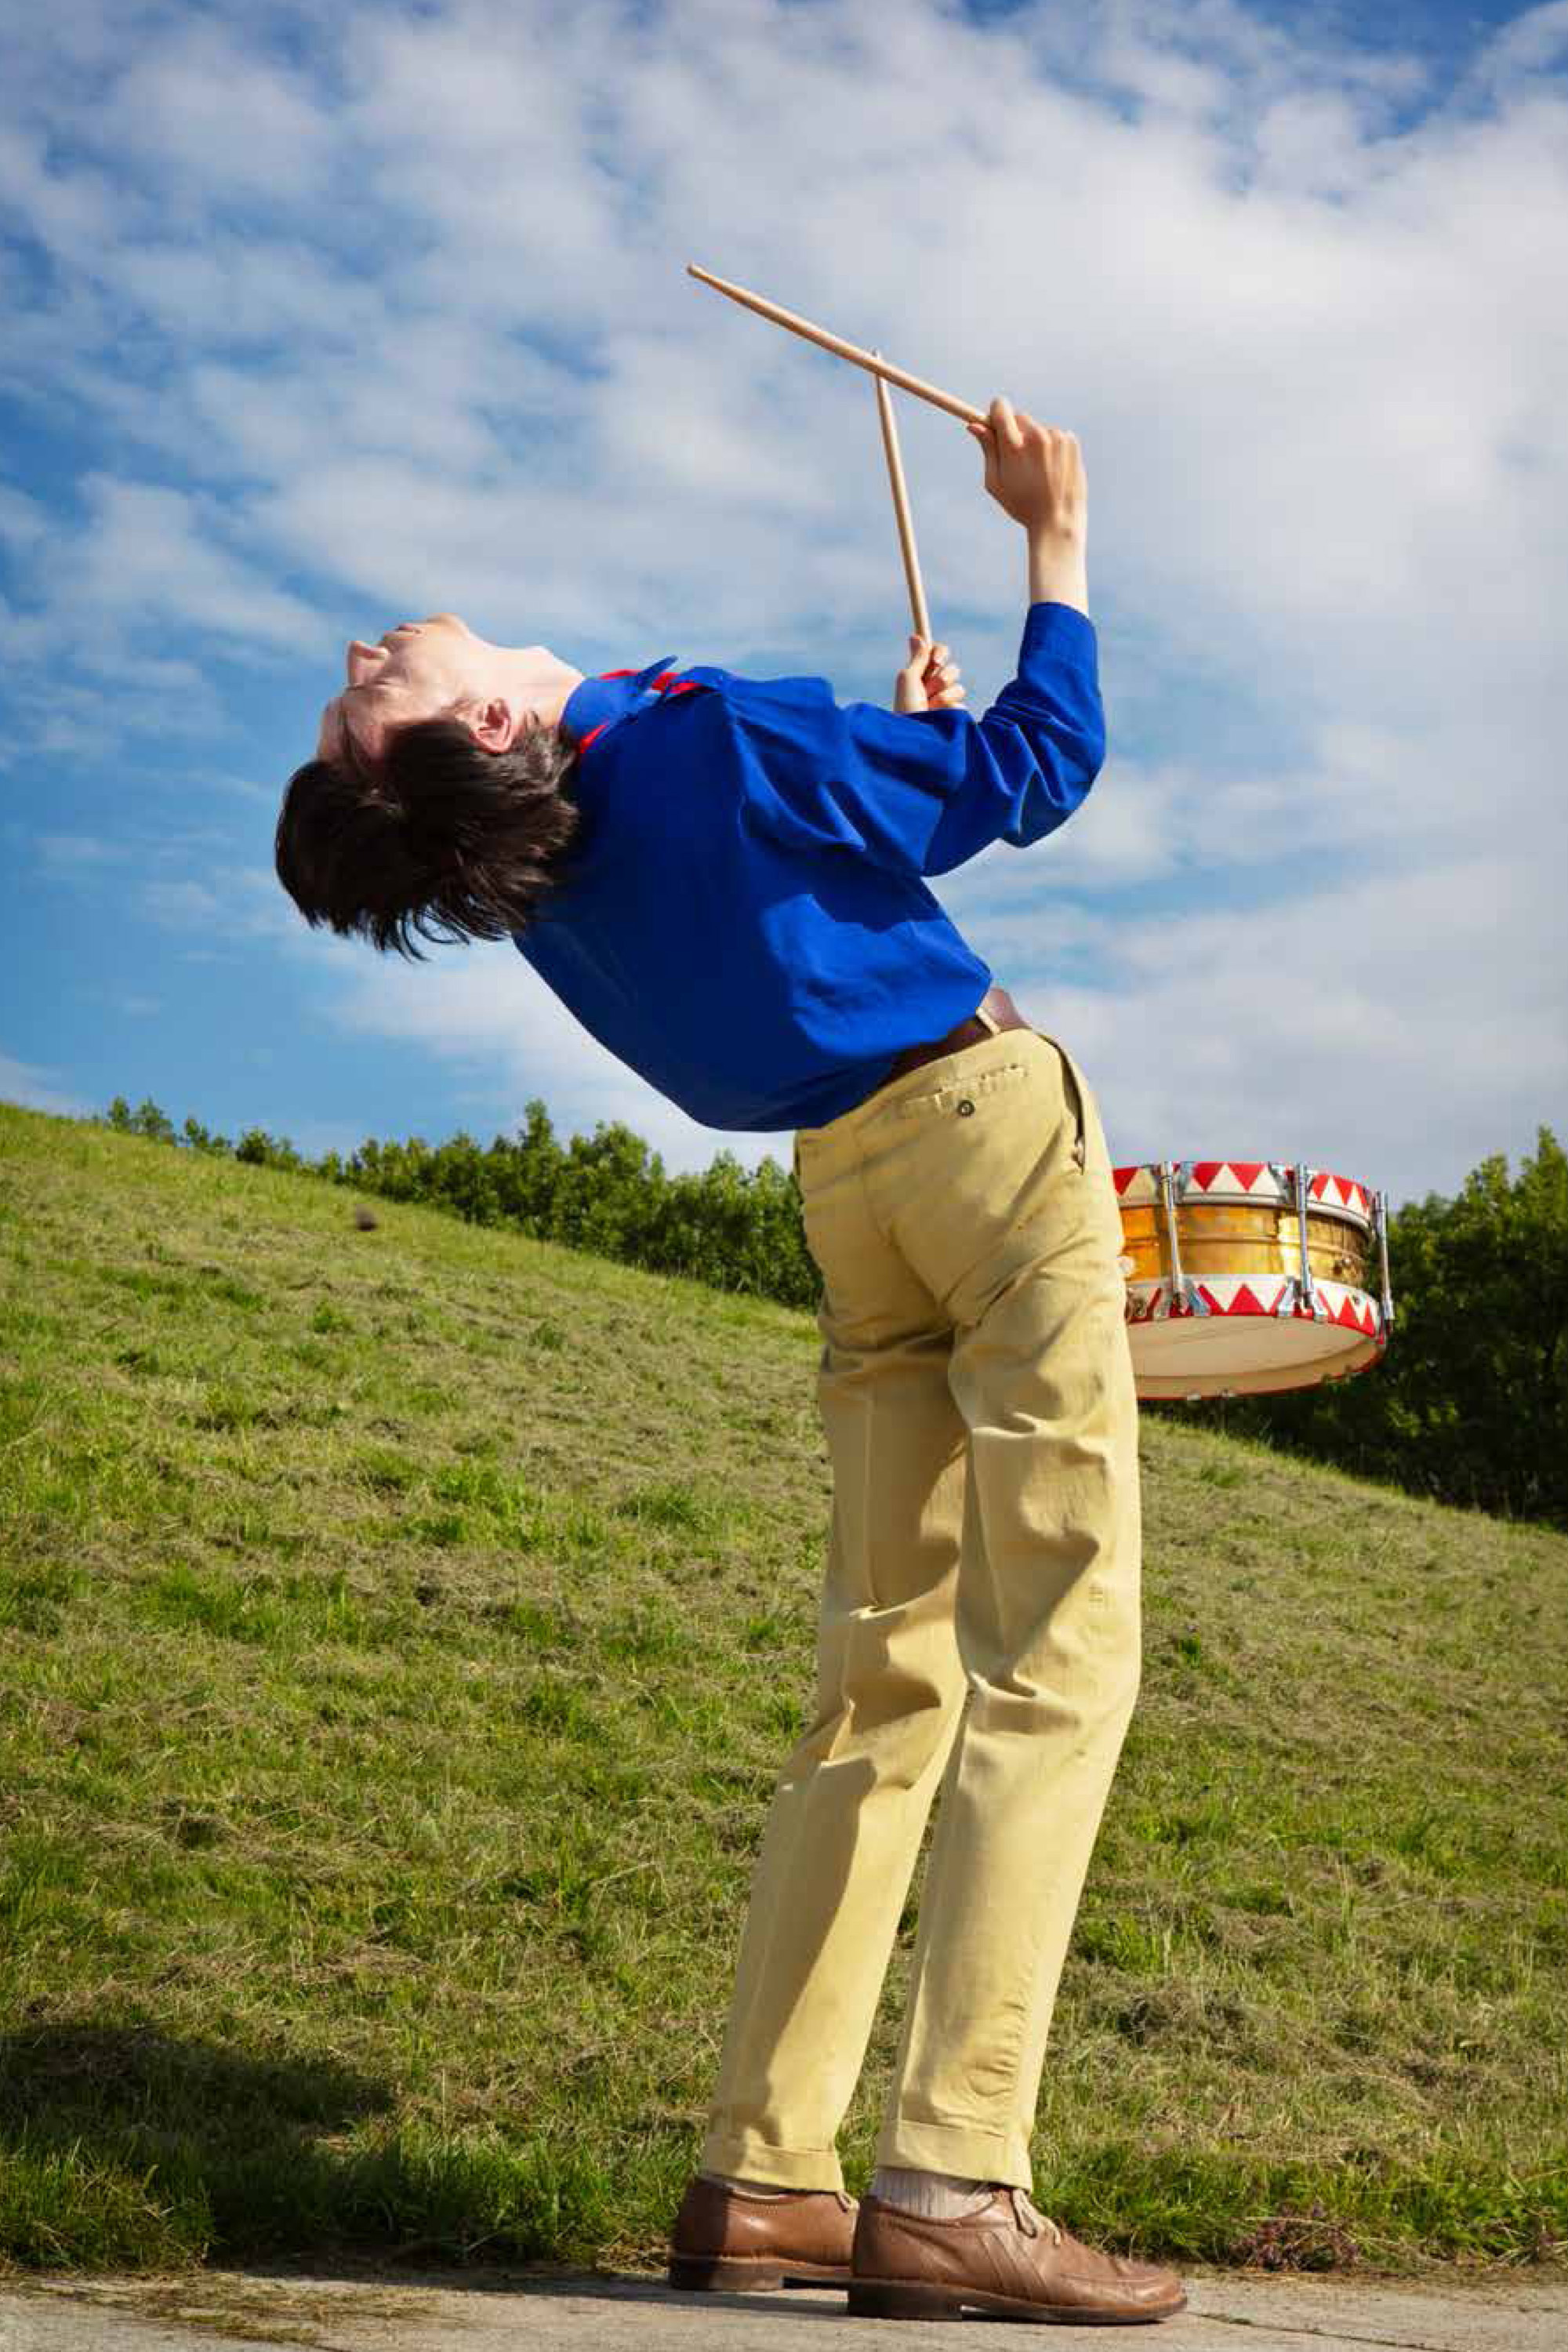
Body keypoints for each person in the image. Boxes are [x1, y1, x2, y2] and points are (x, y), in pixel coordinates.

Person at [274, 398, 1185, 2327]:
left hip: (846, 1200)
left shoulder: (551, 877)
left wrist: (888, 751)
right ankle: (955, 2179)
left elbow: (807, 877)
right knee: (1062, 1648)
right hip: (984, 1137)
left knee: (881, 1685)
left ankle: (764, 2177)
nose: (361, 664)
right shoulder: (693, 736)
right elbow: (1043, 766)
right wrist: (1055, 536)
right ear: (492, 732)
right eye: (370, 707)